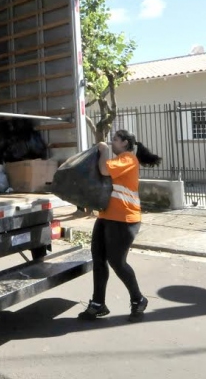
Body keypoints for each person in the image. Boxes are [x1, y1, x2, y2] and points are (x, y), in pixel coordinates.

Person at [78, 129, 162, 323]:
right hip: (107, 216)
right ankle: (98, 304)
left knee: (117, 261)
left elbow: (104, 170)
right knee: (98, 259)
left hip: (124, 219)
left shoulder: (128, 159)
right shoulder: (119, 160)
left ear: (125, 143)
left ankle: (138, 299)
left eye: (114, 140)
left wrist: (103, 149)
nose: (111, 142)